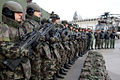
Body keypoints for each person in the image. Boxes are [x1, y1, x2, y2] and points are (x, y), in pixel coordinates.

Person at [0, 1, 31, 80]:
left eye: (21, 12)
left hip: (22, 69)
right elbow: (3, 47)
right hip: (10, 73)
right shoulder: (3, 27)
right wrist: (23, 50)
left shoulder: (19, 28)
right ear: (9, 13)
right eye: (17, 13)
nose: (21, 15)